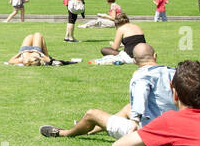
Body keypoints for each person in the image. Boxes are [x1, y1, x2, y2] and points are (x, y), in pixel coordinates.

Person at [43, 43, 188, 138]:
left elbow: (140, 95)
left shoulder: (141, 76)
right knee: (127, 108)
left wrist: (135, 121)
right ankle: (90, 130)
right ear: (155, 56)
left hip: (148, 132)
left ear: (135, 61)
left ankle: (64, 133)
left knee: (91, 114)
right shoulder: (173, 71)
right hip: (177, 126)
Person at [6, 32, 72, 66]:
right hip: (36, 49)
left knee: (30, 36)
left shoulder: (22, 60)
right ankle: (47, 54)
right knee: (38, 34)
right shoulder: (38, 59)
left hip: (24, 50)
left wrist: (21, 53)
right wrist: (41, 54)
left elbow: (10, 61)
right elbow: (49, 61)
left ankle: (46, 54)